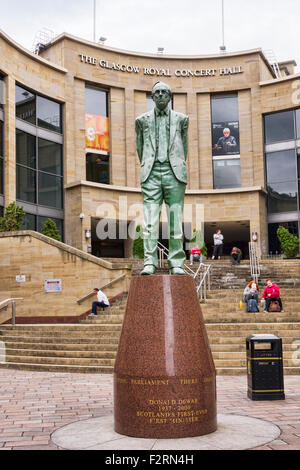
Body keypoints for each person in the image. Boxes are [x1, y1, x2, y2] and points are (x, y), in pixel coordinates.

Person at [136, 81, 189, 276]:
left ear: (169, 96)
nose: (159, 95)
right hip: (151, 173)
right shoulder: (141, 121)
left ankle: (176, 263)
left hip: (173, 173)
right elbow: (139, 148)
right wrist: (149, 165)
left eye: (163, 92)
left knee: (175, 219)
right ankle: (149, 262)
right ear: (152, 97)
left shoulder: (182, 119)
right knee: (150, 221)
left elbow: (184, 147)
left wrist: (175, 164)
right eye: (156, 92)